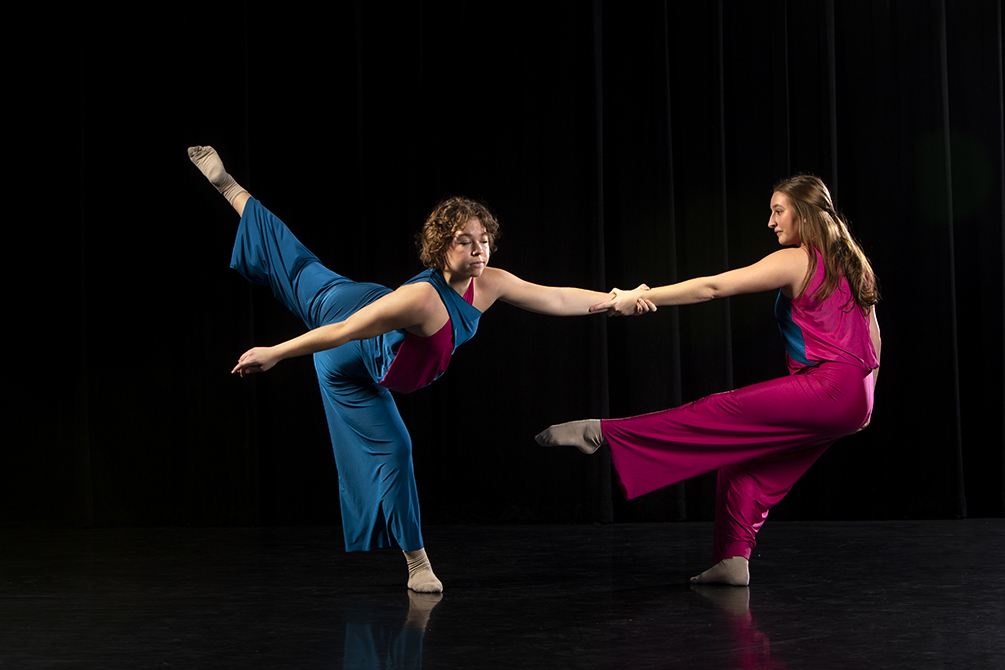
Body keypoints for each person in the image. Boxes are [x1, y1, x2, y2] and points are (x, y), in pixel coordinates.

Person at [188, 146, 652, 592]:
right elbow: (344, 331)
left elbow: (555, 297)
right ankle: (417, 563)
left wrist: (615, 300)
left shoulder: (490, 283)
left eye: (483, 240)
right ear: (441, 247)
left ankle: (232, 191)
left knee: (303, 267)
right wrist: (276, 351)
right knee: (296, 266)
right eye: (464, 241)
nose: (478, 250)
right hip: (346, 347)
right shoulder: (422, 298)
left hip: (368, 308)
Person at [536, 174, 881, 586]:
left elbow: (713, 287)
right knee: (746, 467)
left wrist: (638, 296)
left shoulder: (798, 259)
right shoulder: (853, 262)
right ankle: (733, 560)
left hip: (829, 387)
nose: (771, 222)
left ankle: (603, 433)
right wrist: (865, 401)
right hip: (857, 397)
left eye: (778, 211)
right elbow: (874, 337)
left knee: (716, 410)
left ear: (804, 214)